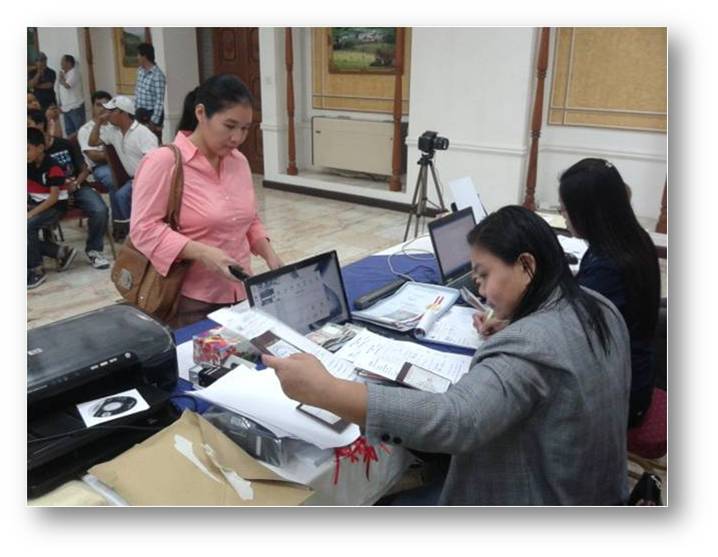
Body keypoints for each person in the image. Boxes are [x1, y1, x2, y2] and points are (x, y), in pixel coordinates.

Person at [263, 206, 632, 505]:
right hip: (596, 490)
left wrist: (325, 391)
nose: (483, 292)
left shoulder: (530, 345)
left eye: (485, 276)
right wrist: (510, 326)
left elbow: (456, 420)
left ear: (526, 265)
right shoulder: (598, 306)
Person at [130, 75, 283, 328]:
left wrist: (269, 254)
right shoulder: (163, 162)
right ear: (201, 113)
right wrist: (202, 253)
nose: (237, 138)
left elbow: (247, 218)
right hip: (192, 301)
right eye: (230, 126)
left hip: (241, 293)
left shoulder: (239, 162)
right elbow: (143, 229)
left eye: (245, 129)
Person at [558, 158, 661, 428]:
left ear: (587, 214)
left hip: (621, 399)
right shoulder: (629, 239)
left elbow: (567, 337)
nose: (563, 215)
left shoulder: (609, 265)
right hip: (634, 376)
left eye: (566, 210)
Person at [28, 109, 110, 270]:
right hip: (52, 195)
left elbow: (84, 168)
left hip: (77, 186)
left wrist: (74, 185)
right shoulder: (30, 154)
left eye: (28, 124)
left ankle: (94, 250)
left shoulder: (64, 144)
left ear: (40, 125)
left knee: (100, 209)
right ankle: (55, 252)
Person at [87, 95, 159, 240]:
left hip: (148, 179)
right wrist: (99, 123)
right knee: (120, 195)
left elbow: (154, 163)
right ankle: (132, 233)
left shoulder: (143, 133)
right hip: (133, 179)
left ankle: (135, 234)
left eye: (111, 111)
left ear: (124, 113)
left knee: (121, 195)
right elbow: (92, 141)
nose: (107, 114)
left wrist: (140, 183)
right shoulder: (114, 132)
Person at [27, 127, 76, 288]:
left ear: (40, 148)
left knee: (27, 227)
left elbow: (54, 198)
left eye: (27, 149)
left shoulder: (53, 166)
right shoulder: (27, 164)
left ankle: (36, 270)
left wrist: (31, 213)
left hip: (55, 206)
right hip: (37, 204)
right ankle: (60, 252)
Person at [77, 91, 116, 208]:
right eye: (98, 105)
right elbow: (94, 156)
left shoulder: (115, 125)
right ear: (93, 107)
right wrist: (116, 153)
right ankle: (119, 222)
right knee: (114, 180)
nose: (102, 109)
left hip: (121, 163)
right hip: (99, 167)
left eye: (106, 105)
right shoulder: (85, 130)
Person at [134, 42, 166, 140]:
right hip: (139, 113)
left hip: (151, 116)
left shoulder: (158, 75)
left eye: (138, 55)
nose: (137, 57)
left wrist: (153, 122)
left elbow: (159, 100)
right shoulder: (140, 71)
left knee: (153, 144)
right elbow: (137, 92)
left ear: (144, 56)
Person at [56, 54, 86, 136]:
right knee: (69, 132)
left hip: (75, 107)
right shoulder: (64, 74)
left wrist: (61, 78)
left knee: (79, 131)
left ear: (69, 63)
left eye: (62, 61)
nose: (60, 63)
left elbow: (67, 86)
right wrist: (60, 104)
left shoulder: (74, 73)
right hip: (65, 108)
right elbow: (59, 90)